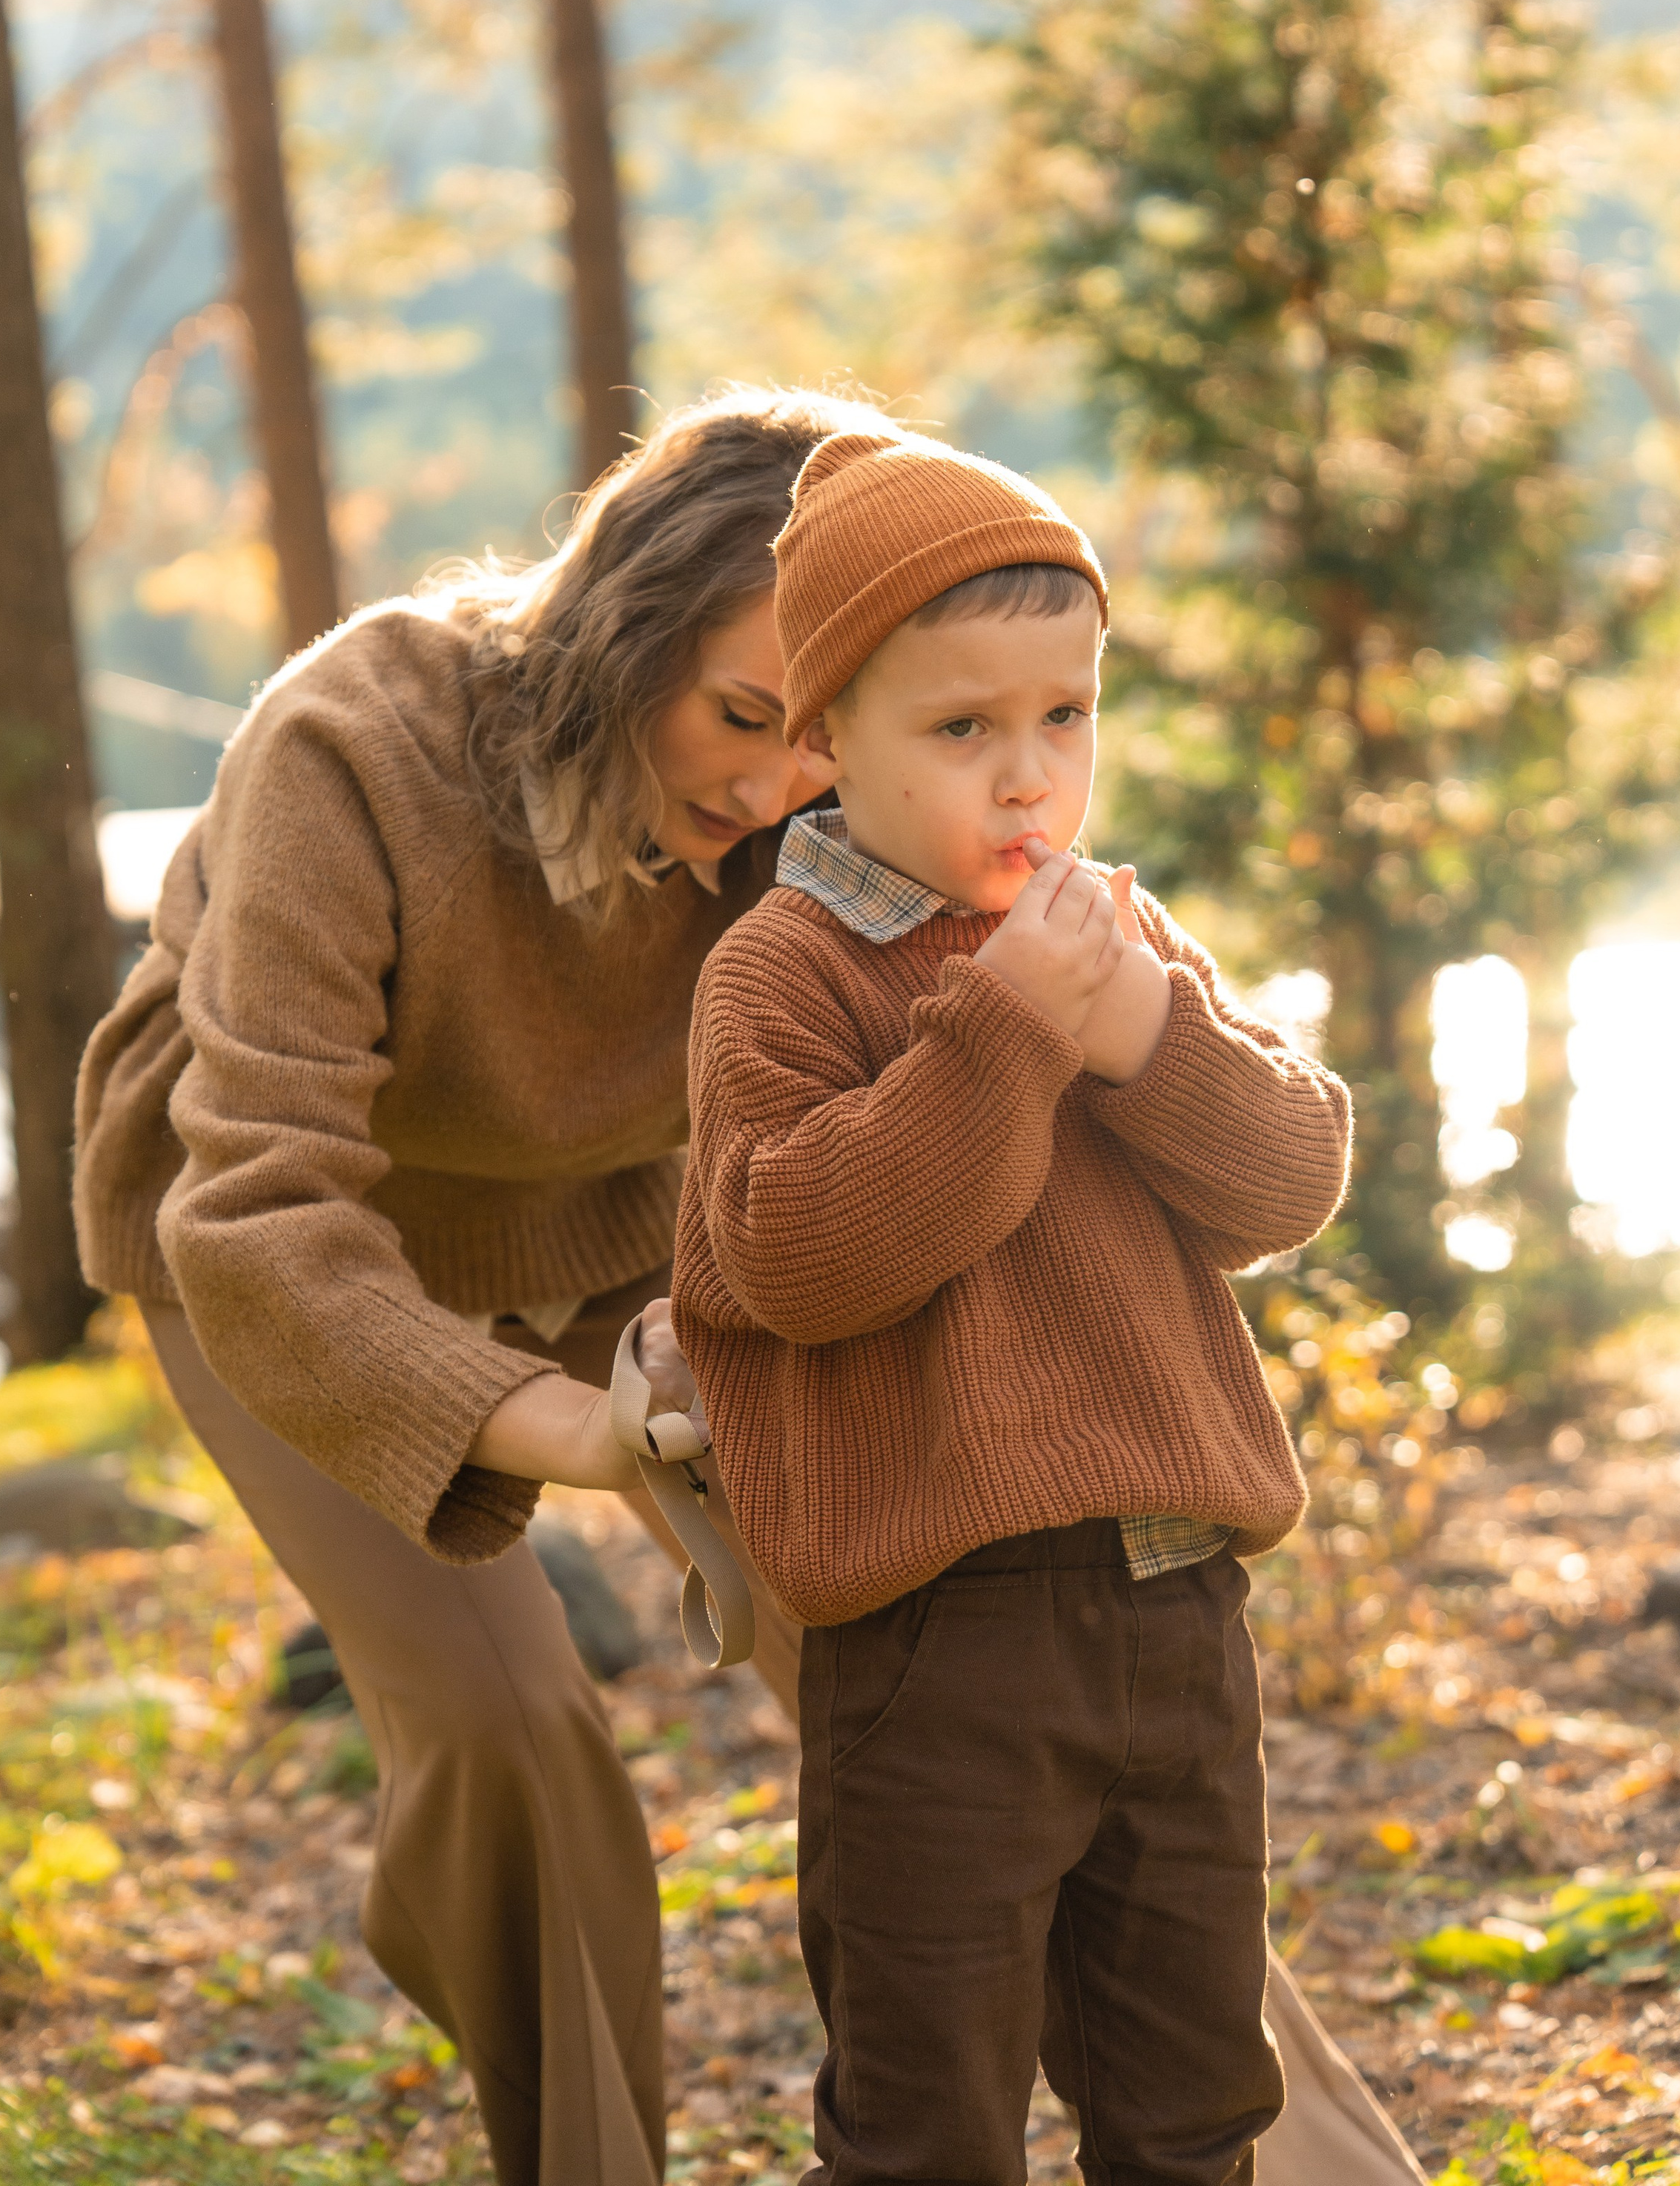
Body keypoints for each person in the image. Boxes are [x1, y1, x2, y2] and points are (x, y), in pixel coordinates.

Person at [73, 386, 899, 2186]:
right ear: (623, 627)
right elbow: (262, 1206)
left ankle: (1269, 2152)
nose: (770, 790)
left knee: (933, 1659)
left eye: (816, 737)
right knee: (513, 1729)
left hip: (614, 1217)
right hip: (275, 1246)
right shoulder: (351, 746)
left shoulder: (826, 804)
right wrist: (574, 1443)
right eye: (738, 715)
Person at [672, 426, 1355, 2186]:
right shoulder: (786, 970)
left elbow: (1283, 1183)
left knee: (1192, 2099)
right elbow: (804, 1257)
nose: (1026, 778)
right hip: (937, 1636)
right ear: (822, 741)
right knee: (926, 2121)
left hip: (1175, 1611)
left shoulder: (1118, 946)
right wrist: (1008, 1033)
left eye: (1064, 716)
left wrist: (1140, 1031)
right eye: (960, 728)